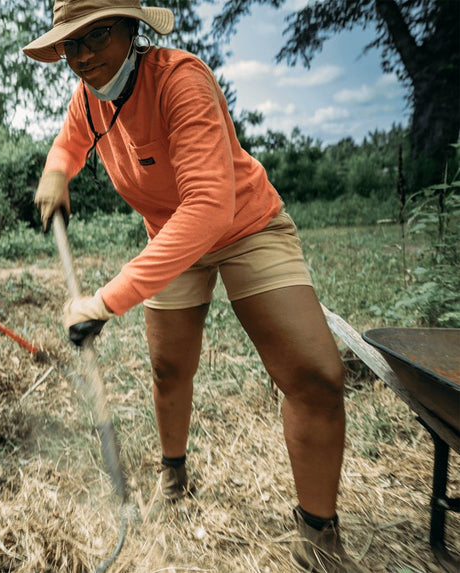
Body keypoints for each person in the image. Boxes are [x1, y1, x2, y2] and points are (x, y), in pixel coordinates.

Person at [23, 2, 364, 571]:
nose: (81, 57)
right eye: (69, 45)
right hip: (170, 238)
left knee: (316, 376)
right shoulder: (88, 100)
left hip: (244, 226)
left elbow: (208, 206)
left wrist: (106, 300)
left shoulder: (181, 80)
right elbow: (70, 140)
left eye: (96, 36)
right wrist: (58, 170)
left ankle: (319, 537)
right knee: (168, 367)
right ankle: (174, 474)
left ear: (133, 29)